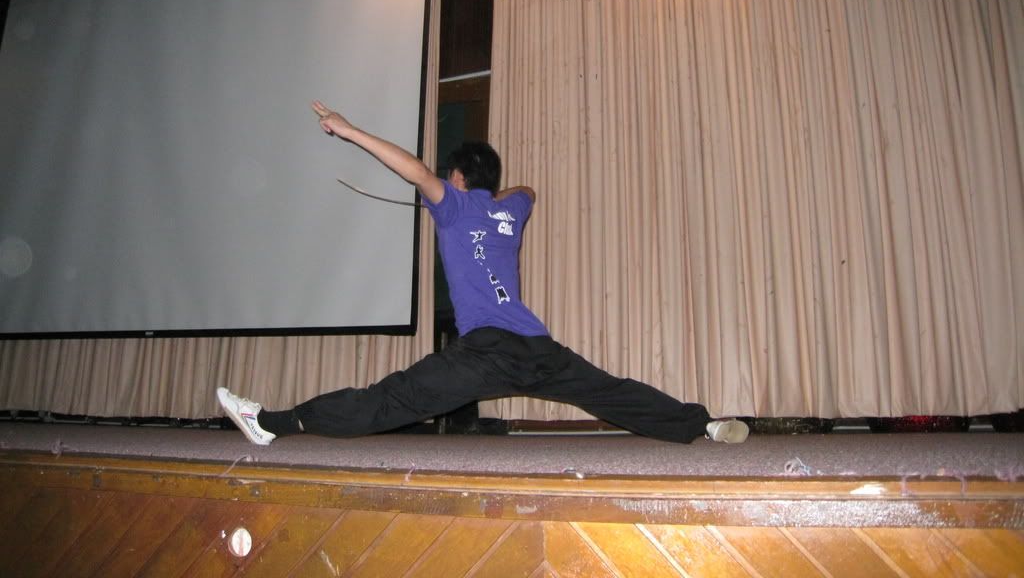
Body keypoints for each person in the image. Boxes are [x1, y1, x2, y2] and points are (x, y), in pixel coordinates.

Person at [216, 99, 749, 446]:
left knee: (388, 401)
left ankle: (269, 423)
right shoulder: (509, 209)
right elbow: (528, 191)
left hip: (485, 351)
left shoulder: (454, 205)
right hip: (536, 347)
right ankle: (702, 424)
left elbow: (415, 171)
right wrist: (497, 199)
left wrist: (350, 131)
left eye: (447, 175)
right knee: (610, 391)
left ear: (456, 177)